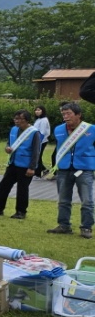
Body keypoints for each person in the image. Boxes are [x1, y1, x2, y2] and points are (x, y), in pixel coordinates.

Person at [46, 102, 95, 238]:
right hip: (64, 168)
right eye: (63, 114)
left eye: (68, 114)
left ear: (78, 115)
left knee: (87, 200)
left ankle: (86, 227)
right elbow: (58, 149)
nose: (65, 116)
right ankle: (64, 225)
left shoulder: (92, 129)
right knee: (63, 199)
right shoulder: (59, 129)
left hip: (84, 169)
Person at [0, 110, 41, 220]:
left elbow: (36, 151)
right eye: (15, 119)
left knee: (22, 189)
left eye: (20, 119)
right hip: (13, 163)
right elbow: (9, 142)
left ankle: (21, 211)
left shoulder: (34, 132)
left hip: (25, 165)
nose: (17, 121)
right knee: (4, 185)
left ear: (27, 120)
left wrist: (32, 167)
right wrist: (7, 148)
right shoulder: (14, 129)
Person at [33, 105, 51, 179]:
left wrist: (38, 141)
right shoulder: (38, 119)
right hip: (37, 140)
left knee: (37, 157)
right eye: (36, 110)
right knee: (37, 156)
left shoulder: (44, 120)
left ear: (42, 111)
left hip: (41, 141)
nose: (37, 111)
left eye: (39, 110)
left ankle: (38, 174)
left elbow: (42, 132)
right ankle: (44, 169)